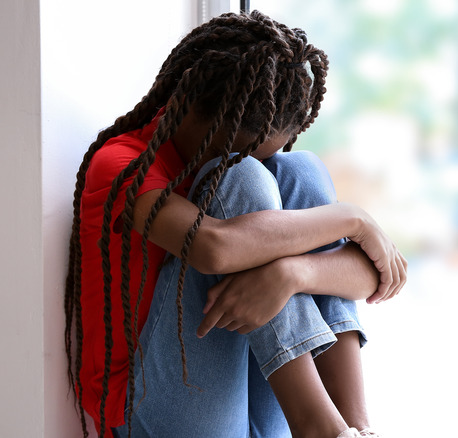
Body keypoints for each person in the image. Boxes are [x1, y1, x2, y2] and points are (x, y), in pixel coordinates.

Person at [64, 10, 407, 438]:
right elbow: (214, 247)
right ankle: (321, 429)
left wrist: (291, 272)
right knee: (241, 183)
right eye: (243, 149)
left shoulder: (273, 167)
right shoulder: (121, 163)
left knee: (302, 171)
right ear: (192, 111)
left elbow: (363, 277)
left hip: (252, 402)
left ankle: (354, 428)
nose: (262, 163)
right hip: (156, 409)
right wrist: (353, 218)